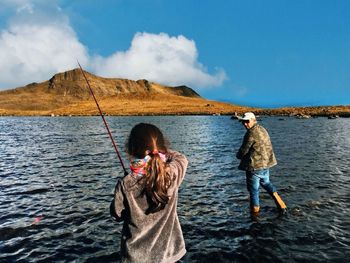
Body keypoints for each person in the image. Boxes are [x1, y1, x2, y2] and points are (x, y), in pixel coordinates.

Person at [110, 123, 188, 263]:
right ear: (162, 147)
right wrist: (158, 151)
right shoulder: (173, 173)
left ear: (131, 149)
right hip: (170, 256)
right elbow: (181, 158)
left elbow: (117, 214)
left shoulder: (125, 184)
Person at [236, 112, 287, 215]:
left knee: (253, 190)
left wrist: (238, 156)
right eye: (243, 122)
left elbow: (243, 151)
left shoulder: (250, 133)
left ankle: (255, 214)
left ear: (253, 120)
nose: (245, 124)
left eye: (247, 121)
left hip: (254, 166)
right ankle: (281, 204)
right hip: (266, 164)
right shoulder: (263, 129)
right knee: (266, 183)